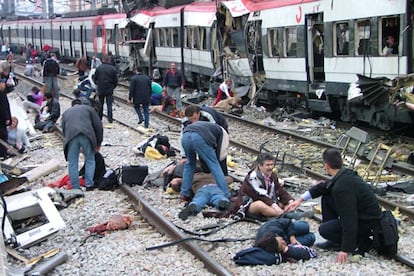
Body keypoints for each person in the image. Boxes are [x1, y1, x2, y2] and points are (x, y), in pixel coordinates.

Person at [286, 148, 382, 264]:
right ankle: (335, 239)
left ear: (326, 166)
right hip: (364, 217)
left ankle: (358, 241)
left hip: (367, 223)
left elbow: (349, 219)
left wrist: (345, 249)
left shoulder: (342, 188)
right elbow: (323, 187)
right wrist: (300, 199)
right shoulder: (344, 175)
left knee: (324, 230)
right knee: (327, 196)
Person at [230, 152, 294, 220]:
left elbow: (279, 189)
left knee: (284, 203)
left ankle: (282, 213)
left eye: (272, 164)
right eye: (267, 165)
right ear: (260, 166)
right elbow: (260, 196)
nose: (271, 167)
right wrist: (275, 206)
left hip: (268, 200)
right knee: (260, 205)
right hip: (251, 203)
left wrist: (290, 201)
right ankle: (283, 215)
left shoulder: (273, 175)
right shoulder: (253, 177)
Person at [181, 121, 229, 201]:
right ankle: (226, 193)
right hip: (198, 137)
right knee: (214, 165)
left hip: (185, 136)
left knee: (189, 164)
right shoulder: (223, 133)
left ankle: (184, 193)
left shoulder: (209, 127)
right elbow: (222, 154)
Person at [62, 99, 103, 192]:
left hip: (71, 137)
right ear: (81, 104)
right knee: (90, 159)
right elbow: (98, 126)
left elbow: (64, 129)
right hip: (87, 135)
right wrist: (98, 143)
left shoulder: (65, 113)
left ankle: (75, 187)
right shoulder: (88, 109)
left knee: (73, 162)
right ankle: (89, 184)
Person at [182, 104, 229, 175]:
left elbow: (214, 132)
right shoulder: (185, 121)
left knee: (220, 156)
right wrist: (184, 155)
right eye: (191, 120)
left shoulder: (208, 116)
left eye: (195, 119)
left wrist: (212, 147)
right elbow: (183, 137)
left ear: (198, 113)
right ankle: (207, 174)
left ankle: (224, 176)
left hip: (220, 132)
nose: (194, 122)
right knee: (202, 153)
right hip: (201, 133)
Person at [93, 54, 118, 123]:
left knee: (100, 104)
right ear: (108, 60)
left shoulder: (99, 68)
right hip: (109, 89)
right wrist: (113, 87)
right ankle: (110, 119)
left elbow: (95, 78)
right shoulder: (113, 69)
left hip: (101, 88)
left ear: (102, 60)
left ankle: (100, 117)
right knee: (109, 105)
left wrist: (98, 84)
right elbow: (116, 81)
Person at [0, 80, 11, 158]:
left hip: (2, 119)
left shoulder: (2, 93)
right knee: (3, 136)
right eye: (3, 83)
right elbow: (4, 108)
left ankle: (3, 153)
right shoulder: (1, 94)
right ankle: (3, 153)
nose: (4, 85)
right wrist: (7, 118)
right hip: (2, 119)